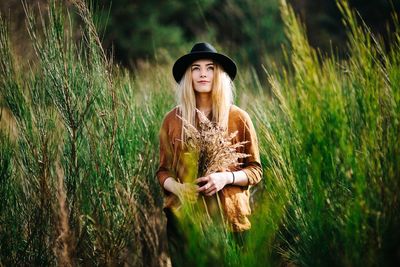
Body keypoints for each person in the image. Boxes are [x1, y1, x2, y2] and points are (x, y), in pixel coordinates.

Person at [156, 42, 262, 266]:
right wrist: (179, 188)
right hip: (184, 222)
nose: (203, 74)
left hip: (230, 220)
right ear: (188, 75)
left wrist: (226, 178)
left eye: (210, 68)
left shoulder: (239, 117)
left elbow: (255, 170)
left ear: (219, 75)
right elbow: (163, 171)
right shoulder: (172, 120)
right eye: (195, 68)